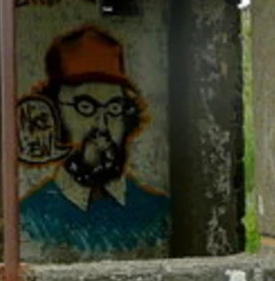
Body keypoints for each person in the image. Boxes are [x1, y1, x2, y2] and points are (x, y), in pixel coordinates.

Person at [19, 25, 169, 255]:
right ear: (54, 114)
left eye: (114, 108)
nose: (102, 125)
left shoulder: (157, 213)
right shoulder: (29, 219)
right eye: (85, 107)